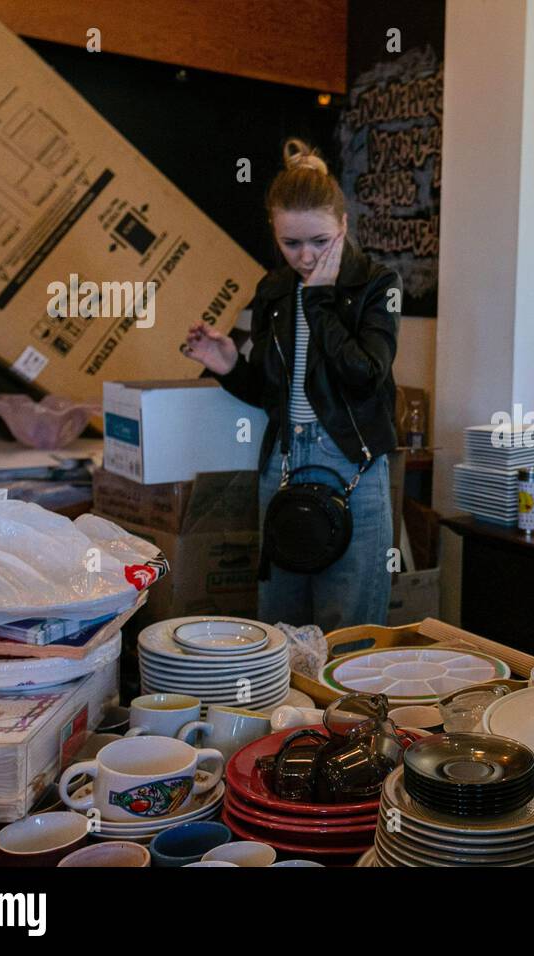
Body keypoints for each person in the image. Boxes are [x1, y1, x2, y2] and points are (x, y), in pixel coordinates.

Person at [182, 138, 401, 632]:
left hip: (350, 459)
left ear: (344, 224)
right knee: (281, 623)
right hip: (283, 459)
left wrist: (319, 300)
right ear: (274, 233)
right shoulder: (274, 290)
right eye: (291, 243)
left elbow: (367, 375)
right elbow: (271, 395)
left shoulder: (376, 283)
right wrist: (227, 365)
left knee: (349, 626)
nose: (305, 256)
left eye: (320, 241)